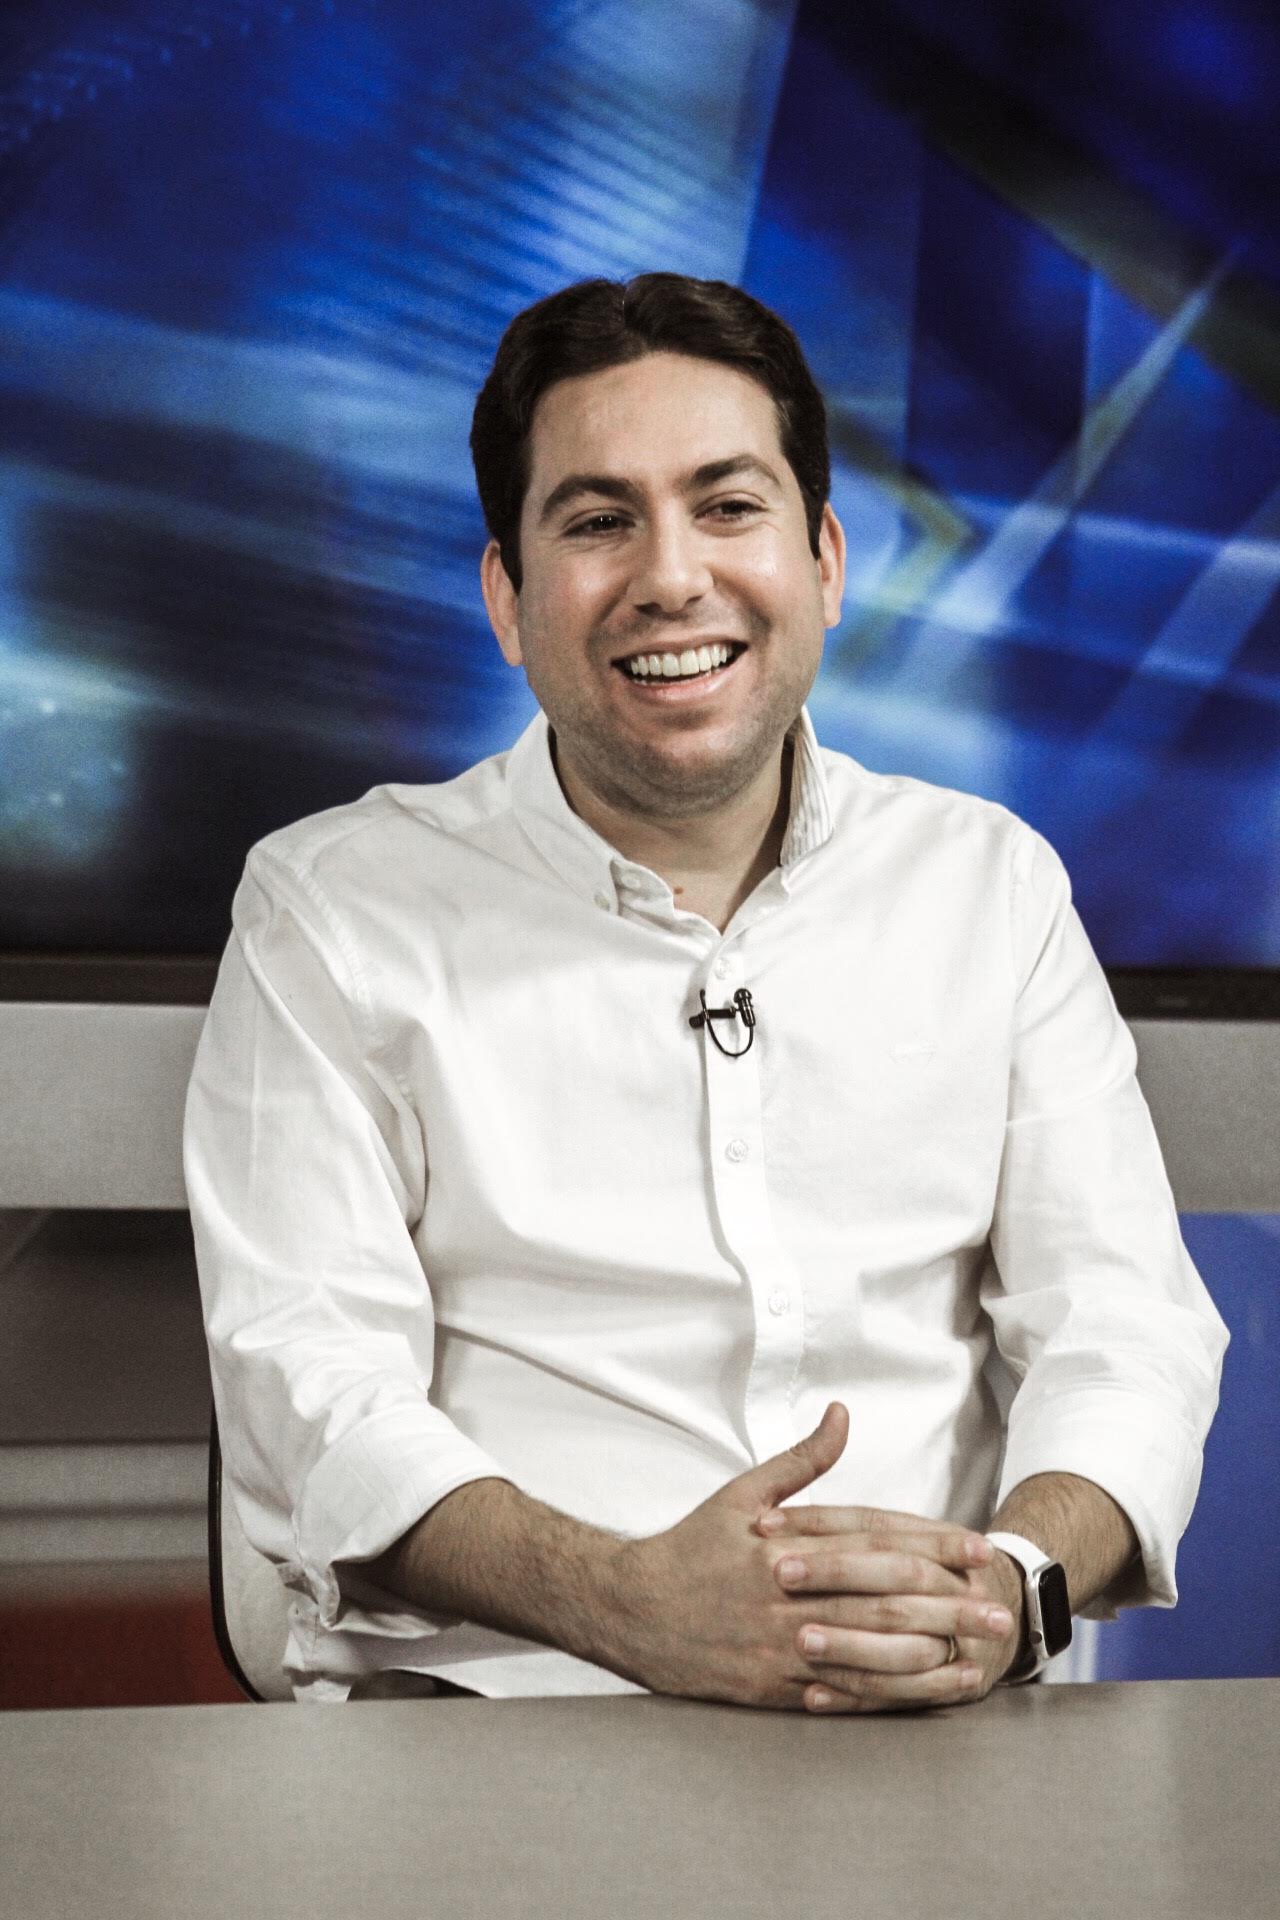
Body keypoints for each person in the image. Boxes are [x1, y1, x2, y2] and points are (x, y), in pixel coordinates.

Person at [185, 273, 1227, 1710]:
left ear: (826, 562)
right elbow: (308, 1385)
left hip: (934, 1724)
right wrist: (624, 1606)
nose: (672, 577)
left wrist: (1012, 1591)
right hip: (499, 1730)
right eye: (598, 521)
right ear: (507, 598)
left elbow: (1125, 1329)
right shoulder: (331, 910)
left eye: (728, 506)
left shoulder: (991, 886)